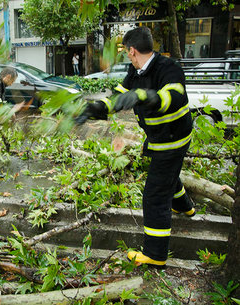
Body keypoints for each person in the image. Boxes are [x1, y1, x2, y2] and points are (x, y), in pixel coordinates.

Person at [75, 27, 195, 267]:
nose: (127, 56)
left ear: (131, 50)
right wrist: (96, 108)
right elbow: (120, 95)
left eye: (126, 52)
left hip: (173, 139)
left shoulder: (168, 68)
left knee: (154, 195)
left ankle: (155, 255)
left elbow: (174, 97)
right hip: (159, 138)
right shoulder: (136, 70)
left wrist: (145, 96)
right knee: (168, 177)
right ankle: (186, 208)